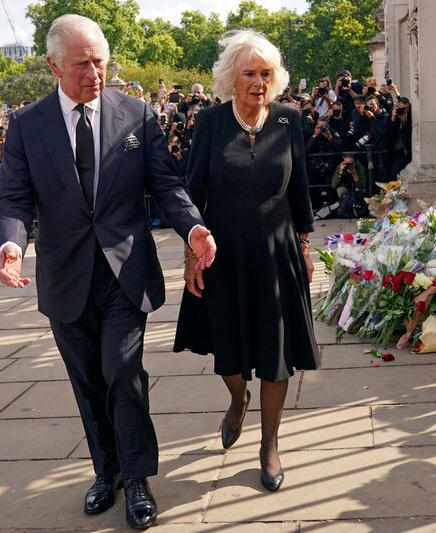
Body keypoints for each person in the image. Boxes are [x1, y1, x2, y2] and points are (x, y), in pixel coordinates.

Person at [0, 14, 216, 530]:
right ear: (53, 66)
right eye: (81, 64)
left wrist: (193, 229)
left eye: (100, 61)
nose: (94, 72)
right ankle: (106, 470)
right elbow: (13, 197)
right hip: (65, 276)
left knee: (122, 372)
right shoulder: (29, 124)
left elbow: (167, 186)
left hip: (125, 272)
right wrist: (10, 244)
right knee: (89, 381)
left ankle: (137, 477)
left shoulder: (136, 114)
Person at [173, 29, 319, 493]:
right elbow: (193, 190)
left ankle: (269, 444)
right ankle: (238, 401)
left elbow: (299, 190)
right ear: (230, 78)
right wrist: (190, 254)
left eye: (266, 73)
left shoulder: (289, 120)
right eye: (249, 73)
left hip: (277, 254)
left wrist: (305, 244)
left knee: (276, 355)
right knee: (229, 354)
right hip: (223, 253)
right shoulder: (211, 123)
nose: (259, 82)